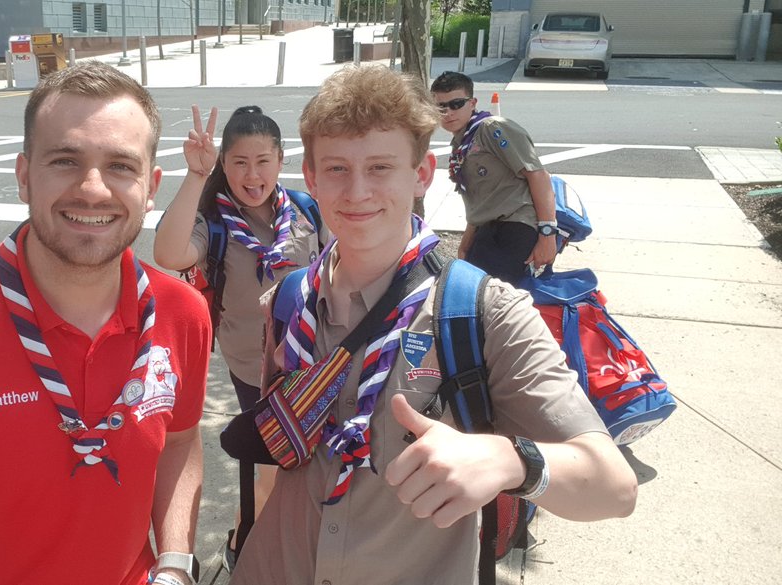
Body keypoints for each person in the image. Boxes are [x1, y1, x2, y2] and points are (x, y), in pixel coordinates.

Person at [229, 65, 638, 585]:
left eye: (380, 167)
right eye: (336, 168)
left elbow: (613, 487)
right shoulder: (289, 303)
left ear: (422, 173)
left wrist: (509, 460)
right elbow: (283, 457)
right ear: (310, 177)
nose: (357, 191)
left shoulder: (484, 313)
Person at [0, 61, 210, 585]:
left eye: (120, 166)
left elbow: (180, 442)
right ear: (23, 176)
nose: (93, 189)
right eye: (65, 160)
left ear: (150, 188)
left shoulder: (182, 313)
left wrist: (175, 562)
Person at [153, 104, 324, 566]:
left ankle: (284, 541)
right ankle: (243, 545)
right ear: (223, 165)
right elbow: (169, 253)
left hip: (316, 364)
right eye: (240, 162)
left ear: (281, 160)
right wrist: (196, 175)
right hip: (256, 368)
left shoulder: (305, 210)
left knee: (308, 463)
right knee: (274, 468)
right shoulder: (214, 221)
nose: (252, 175)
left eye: (263, 161)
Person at [431, 71, 559, 285]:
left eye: (456, 104)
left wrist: (547, 235)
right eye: (441, 107)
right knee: (473, 293)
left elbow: (538, 175)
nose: (448, 112)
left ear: (472, 103)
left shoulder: (492, 128)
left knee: (493, 297)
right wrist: (466, 245)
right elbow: (480, 200)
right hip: (488, 230)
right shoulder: (462, 142)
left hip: (516, 227)